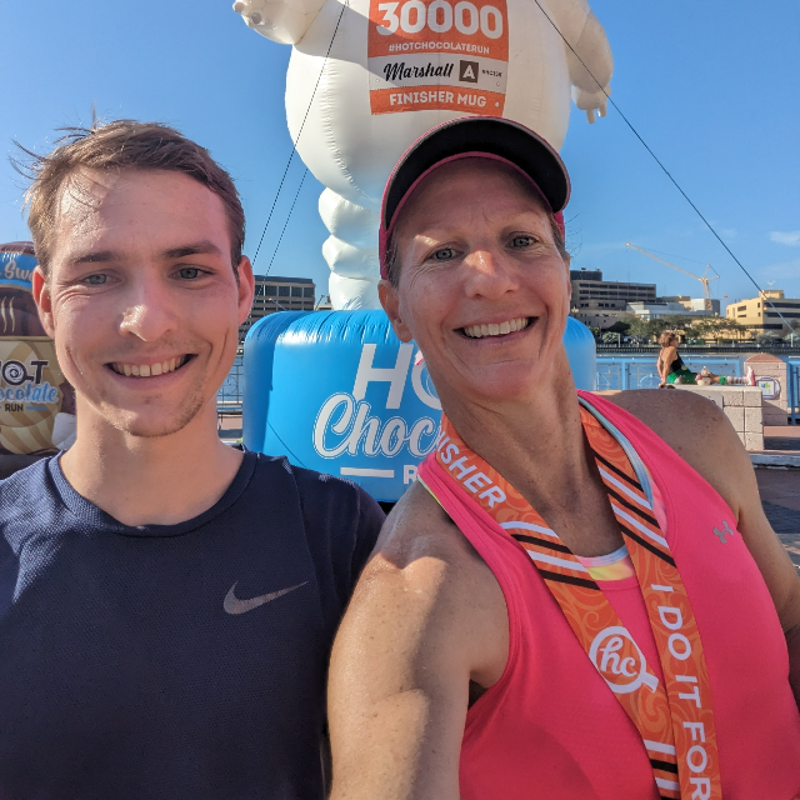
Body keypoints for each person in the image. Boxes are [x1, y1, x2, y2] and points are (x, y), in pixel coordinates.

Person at [327, 117, 800, 800]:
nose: (489, 278)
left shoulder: (692, 435)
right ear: (395, 310)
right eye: (442, 254)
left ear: (565, 275)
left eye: (521, 240)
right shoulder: (418, 597)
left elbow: (788, 611)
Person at [0, 120, 384, 799]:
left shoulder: (337, 533)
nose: (147, 319)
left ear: (241, 290)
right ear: (46, 303)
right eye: (98, 275)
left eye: (188, 270)